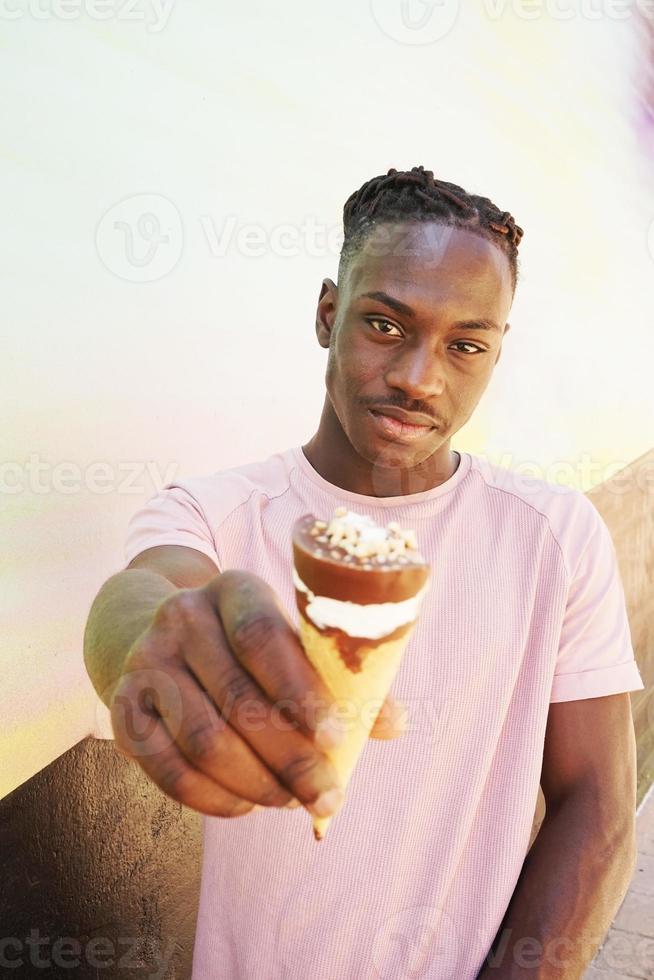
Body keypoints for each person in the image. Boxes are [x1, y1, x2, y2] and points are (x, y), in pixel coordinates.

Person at [84, 165, 645, 980]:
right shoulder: (215, 512)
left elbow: (598, 808)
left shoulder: (555, 536)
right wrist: (145, 644)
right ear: (328, 314)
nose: (421, 377)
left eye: (465, 345)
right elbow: (143, 599)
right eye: (386, 325)